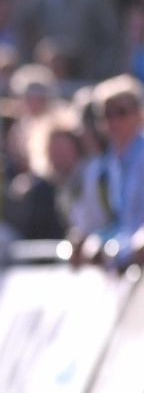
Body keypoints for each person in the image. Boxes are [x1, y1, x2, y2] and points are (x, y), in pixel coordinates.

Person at [67, 74, 144, 271]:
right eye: (107, 114)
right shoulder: (107, 164)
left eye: (122, 112)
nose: (114, 121)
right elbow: (123, 224)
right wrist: (94, 239)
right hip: (129, 269)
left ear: (139, 114)